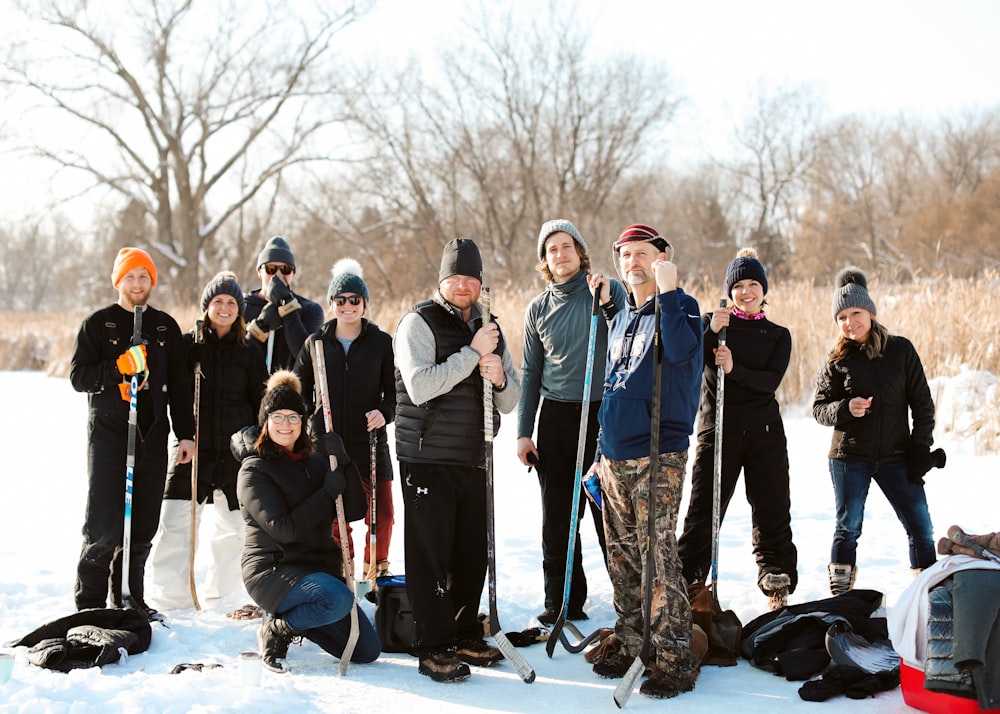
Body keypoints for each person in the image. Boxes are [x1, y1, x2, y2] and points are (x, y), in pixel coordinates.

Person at [394, 237, 522, 683]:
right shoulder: (418, 322)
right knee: (431, 554)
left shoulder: (491, 327)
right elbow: (420, 386)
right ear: (442, 281)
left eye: (471, 278)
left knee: (471, 553)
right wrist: (471, 356)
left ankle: (466, 630)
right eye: (455, 278)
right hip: (427, 456)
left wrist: (500, 374)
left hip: (474, 456)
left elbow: (511, 401)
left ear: (480, 283)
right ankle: (433, 644)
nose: (463, 285)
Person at [584, 224, 703, 699]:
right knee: (622, 556)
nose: (632, 262)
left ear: (662, 257)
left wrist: (670, 289)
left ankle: (674, 656)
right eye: (625, 255)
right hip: (613, 454)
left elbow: (682, 353)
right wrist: (597, 454)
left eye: (642, 254)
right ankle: (633, 639)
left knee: (657, 555)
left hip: (658, 452)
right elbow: (613, 387)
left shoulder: (681, 307)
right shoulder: (622, 318)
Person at [69, 247, 195, 619]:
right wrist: (116, 369)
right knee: (105, 524)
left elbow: (181, 385)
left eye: (144, 277)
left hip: (152, 434)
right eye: (130, 277)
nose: (137, 284)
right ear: (118, 281)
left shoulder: (164, 327)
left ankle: (129, 596)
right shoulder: (99, 324)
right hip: (109, 433)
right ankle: (89, 602)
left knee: (142, 524)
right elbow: (79, 377)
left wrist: (185, 434)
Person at [517, 219, 628, 625]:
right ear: (544, 261)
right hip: (558, 417)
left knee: (608, 511)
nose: (560, 255)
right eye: (552, 250)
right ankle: (563, 599)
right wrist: (524, 432)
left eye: (567, 246)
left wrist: (609, 298)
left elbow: (626, 324)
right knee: (560, 516)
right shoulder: (538, 309)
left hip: (602, 411)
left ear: (580, 252)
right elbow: (530, 373)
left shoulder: (602, 290)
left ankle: (628, 598)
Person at [231, 370, 380, 673]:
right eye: (278, 417)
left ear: (303, 422)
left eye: (293, 417)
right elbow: (283, 529)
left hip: (317, 571)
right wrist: (326, 493)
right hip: (273, 569)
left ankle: (303, 617)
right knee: (336, 599)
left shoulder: (316, 462)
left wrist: (346, 462)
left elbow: (353, 510)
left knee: (367, 650)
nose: (286, 425)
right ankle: (280, 629)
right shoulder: (254, 470)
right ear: (266, 422)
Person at [677, 247, 798, 611]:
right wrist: (709, 330)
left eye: (753, 284)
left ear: (763, 289)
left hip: (764, 432)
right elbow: (686, 363)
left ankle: (775, 573)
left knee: (772, 506)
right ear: (729, 292)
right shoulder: (715, 327)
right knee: (704, 509)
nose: (746, 292)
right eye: (739, 286)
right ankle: (688, 577)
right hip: (719, 431)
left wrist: (734, 369)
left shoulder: (778, 335)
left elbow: (769, 381)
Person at [813, 267, 945, 595]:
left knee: (920, 526)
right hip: (849, 456)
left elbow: (923, 405)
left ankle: (926, 595)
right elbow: (818, 409)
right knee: (848, 527)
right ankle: (840, 598)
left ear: (870, 312)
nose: (849, 322)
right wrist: (846, 408)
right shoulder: (836, 360)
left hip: (897, 455)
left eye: (855, 313)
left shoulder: (901, 350)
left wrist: (919, 447)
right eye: (841, 317)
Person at [149, 272, 268, 610]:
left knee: (232, 529)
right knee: (176, 522)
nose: (225, 307)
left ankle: (223, 596)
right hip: (192, 448)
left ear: (240, 310)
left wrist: (251, 443)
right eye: (218, 301)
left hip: (233, 453)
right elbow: (173, 392)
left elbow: (260, 400)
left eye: (231, 302)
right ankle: (172, 598)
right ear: (206, 307)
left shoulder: (249, 351)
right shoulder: (188, 347)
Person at [295, 258, 396, 582]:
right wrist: (310, 425)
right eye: (341, 300)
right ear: (332, 304)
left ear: (364, 303)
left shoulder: (381, 343)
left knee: (382, 515)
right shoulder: (316, 344)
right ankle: (343, 571)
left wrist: (384, 412)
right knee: (335, 518)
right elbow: (297, 391)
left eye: (355, 299)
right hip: (329, 444)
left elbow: (395, 393)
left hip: (370, 443)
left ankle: (375, 572)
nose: (348, 306)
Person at [243, 236, 324, 373]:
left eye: (285, 269)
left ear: (293, 273)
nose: (278, 274)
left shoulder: (310, 310)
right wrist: (259, 326)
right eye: (271, 269)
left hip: (290, 391)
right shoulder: (242, 307)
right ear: (259, 272)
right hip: (250, 391)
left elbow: (305, 357)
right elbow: (236, 358)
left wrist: (288, 307)